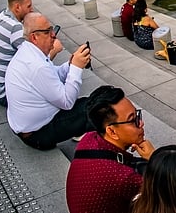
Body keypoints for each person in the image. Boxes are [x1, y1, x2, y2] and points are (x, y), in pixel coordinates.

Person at [4, 12, 94, 150]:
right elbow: (67, 102)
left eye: (52, 29)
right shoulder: (36, 65)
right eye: (47, 32)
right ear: (34, 37)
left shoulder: (28, 52)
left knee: (92, 102)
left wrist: (70, 65)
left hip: (30, 128)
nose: (53, 35)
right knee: (97, 107)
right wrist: (76, 68)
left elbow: (53, 74)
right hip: (38, 135)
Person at [65, 85, 156, 213]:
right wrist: (154, 157)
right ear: (112, 131)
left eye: (137, 115)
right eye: (132, 120)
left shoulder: (90, 138)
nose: (141, 123)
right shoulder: (123, 177)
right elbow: (173, 190)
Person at [0, 0, 58, 106]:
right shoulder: (15, 28)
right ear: (17, 7)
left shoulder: (3, 16)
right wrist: (55, 49)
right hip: (4, 93)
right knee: (50, 93)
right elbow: (38, 63)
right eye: (28, 6)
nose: (32, 9)